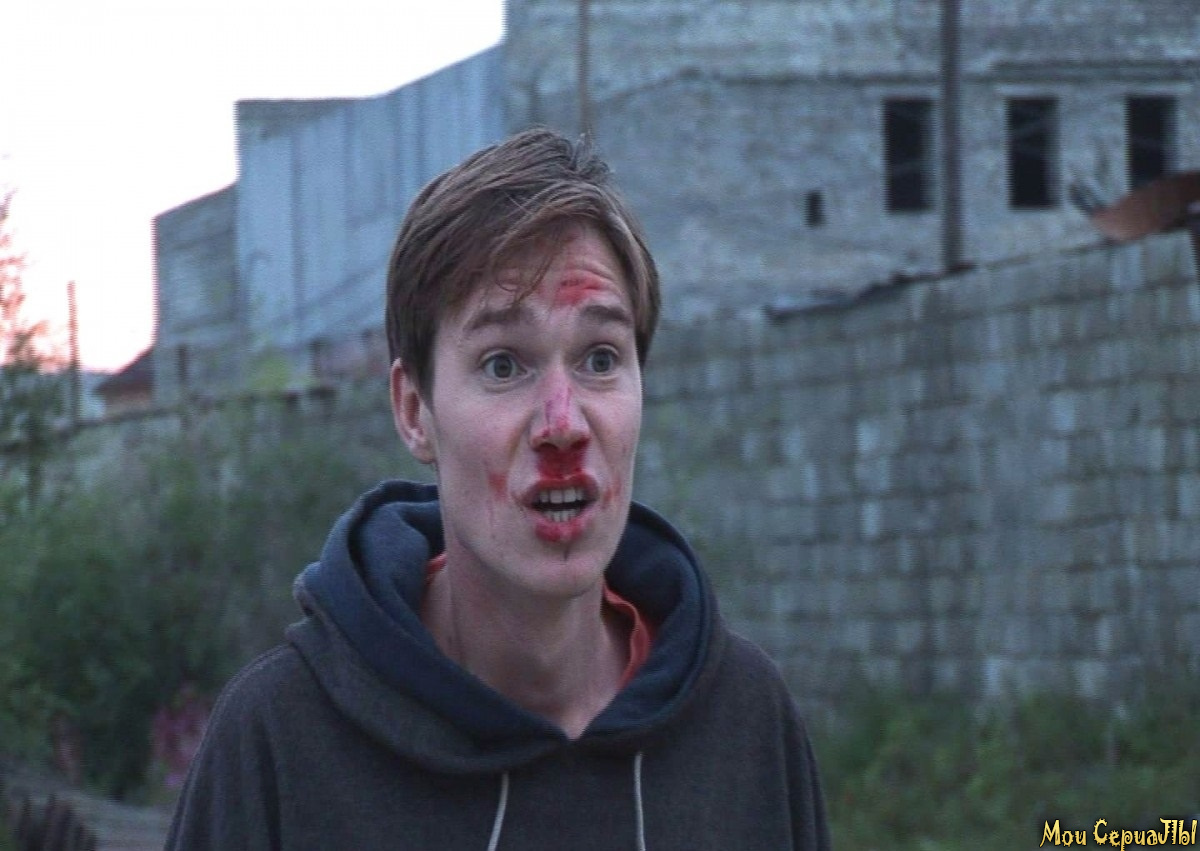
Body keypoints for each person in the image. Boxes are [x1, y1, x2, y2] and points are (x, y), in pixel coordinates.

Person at [165, 127, 831, 850]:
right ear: (413, 410)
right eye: (503, 364)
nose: (562, 425)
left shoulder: (745, 727)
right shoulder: (279, 744)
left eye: (600, 357)